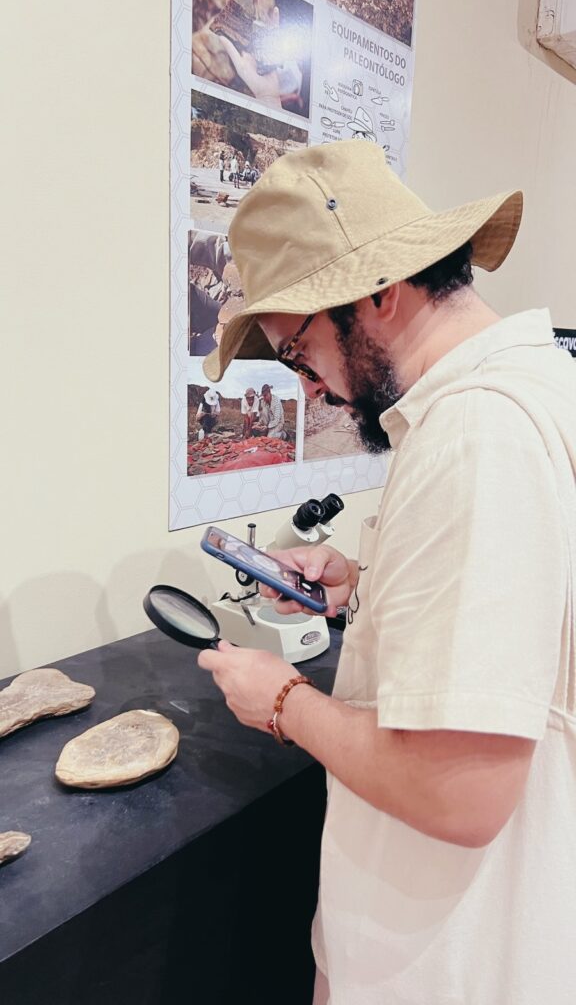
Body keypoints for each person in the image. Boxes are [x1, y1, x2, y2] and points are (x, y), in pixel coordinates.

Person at [196, 140, 576, 1004]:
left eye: (298, 351)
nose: (314, 391)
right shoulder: (534, 388)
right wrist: (368, 584)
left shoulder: (477, 435)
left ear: (378, 290)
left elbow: (458, 793)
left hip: (450, 961)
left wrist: (283, 701)